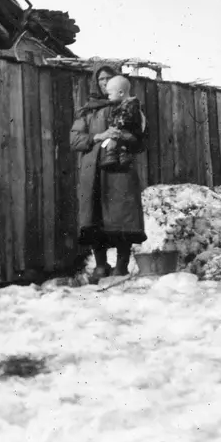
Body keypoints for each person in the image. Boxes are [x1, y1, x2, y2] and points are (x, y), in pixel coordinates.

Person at [70, 65, 149, 283]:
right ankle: (101, 265)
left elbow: (140, 141)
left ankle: (121, 266)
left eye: (109, 78)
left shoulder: (129, 107)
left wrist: (122, 136)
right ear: (96, 82)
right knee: (94, 217)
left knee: (121, 216)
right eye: (101, 79)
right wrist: (99, 136)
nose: (105, 83)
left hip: (118, 170)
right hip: (93, 170)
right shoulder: (88, 111)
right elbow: (75, 140)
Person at [99, 74, 144, 171]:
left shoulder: (131, 105)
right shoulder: (119, 106)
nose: (108, 97)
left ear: (120, 93)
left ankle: (123, 156)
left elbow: (128, 119)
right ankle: (113, 156)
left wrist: (118, 126)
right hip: (122, 132)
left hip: (130, 133)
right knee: (112, 141)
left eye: (110, 94)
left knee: (117, 140)